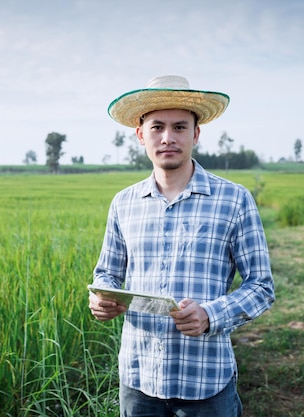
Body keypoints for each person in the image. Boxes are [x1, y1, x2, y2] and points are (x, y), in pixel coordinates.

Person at [88, 75, 275, 417]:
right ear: (141, 134)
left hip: (206, 382)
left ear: (196, 134)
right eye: (157, 127)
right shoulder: (124, 203)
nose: (168, 138)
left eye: (179, 127)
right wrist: (102, 299)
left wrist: (209, 315)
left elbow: (261, 287)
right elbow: (107, 274)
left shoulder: (234, 199)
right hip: (138, 378)